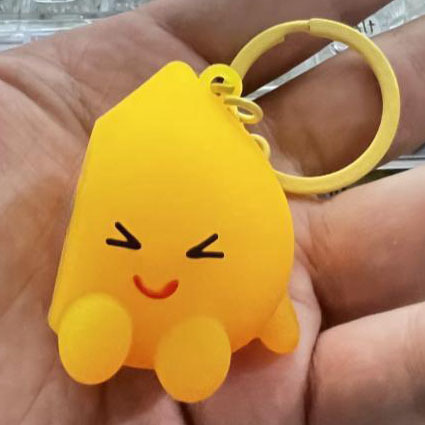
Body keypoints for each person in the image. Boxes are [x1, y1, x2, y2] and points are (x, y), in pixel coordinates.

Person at [1, 0, 424, 424]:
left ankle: (180, 332)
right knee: (120, 317)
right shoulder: (130, 149)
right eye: (126, 239)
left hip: (215, 306)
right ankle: (116, 321)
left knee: (214, 321)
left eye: (199, 250)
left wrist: (264, 312)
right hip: (124, 302)